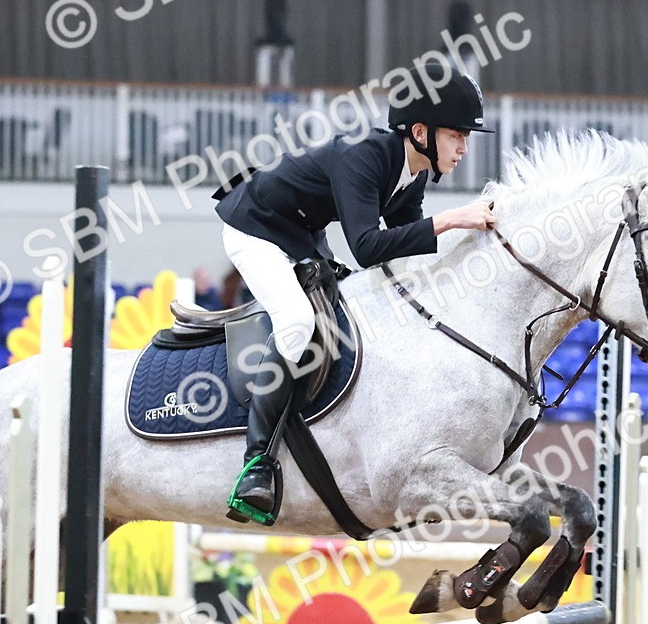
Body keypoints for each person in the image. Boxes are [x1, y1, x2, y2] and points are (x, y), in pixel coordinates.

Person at [213, 61, 498, 524]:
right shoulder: (365, 156)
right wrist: (453, 218)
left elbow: (407, 250)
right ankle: (256, 465)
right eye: (457, 135)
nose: (464, 147)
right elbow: (367, 248)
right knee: (298, 322)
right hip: (255, 229)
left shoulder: (413, 172)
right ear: (421, 131)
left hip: (302, 233)